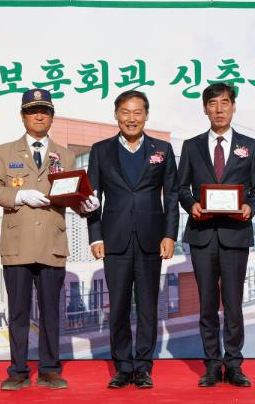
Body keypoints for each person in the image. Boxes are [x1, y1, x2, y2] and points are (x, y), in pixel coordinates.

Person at [0, 88, 98, 391]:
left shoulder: (66, 155)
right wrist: (19, 195)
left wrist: (85, 205)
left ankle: (49, 369)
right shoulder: (4, 151)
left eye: (44, 111)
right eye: (32, 111)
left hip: (51, 243)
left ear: (52, 117)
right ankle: (18, 371)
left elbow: (72, 196)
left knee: (50, 312)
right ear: (22, 116)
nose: (38, 116)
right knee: (19, 312)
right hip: (17, 244)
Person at [87, 90, 179, 389]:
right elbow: (92, 198)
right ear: (116, 115)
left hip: (151, 239)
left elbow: (172, 195)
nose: (131, 118)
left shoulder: (162, 149)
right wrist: (95, 237)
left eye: (137, 112)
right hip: (114, 240)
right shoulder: (100, 150)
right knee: (118, 307)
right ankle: (123, 367)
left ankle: (143, 367)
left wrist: (169, 235)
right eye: (125, 112)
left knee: (148, 307)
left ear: (146, 116)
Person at [177, 83, 255, 388]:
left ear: (233, 107)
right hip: (202, 234)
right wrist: (191, 205)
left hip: (235, 234)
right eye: (213, 104)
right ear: (205, 109)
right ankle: (212, 365)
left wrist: (249, 207)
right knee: (206, 305)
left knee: (233, 303)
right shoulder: (191, 146)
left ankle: (234, 364)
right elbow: (181, 187)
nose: (219, 109)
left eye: (224, 103)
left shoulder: (250, 145)